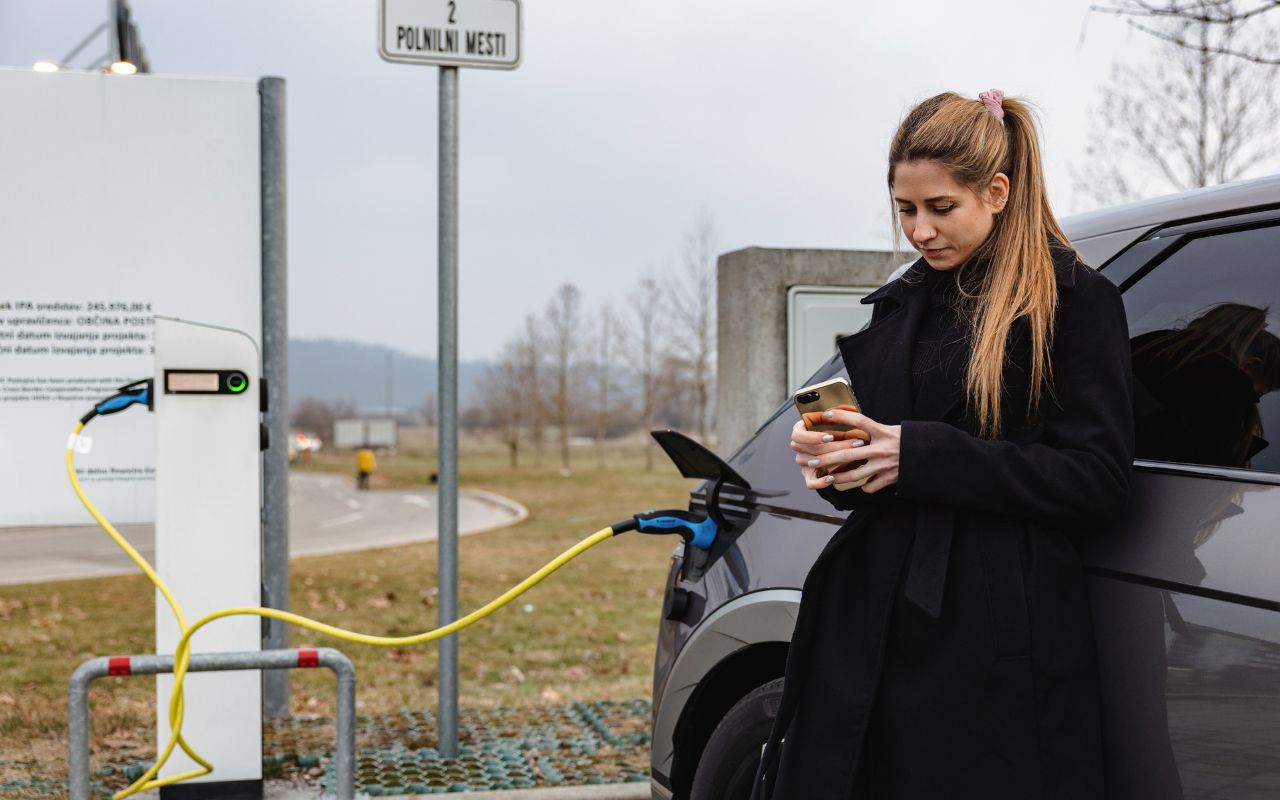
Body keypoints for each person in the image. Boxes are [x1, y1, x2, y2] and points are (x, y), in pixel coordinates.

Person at [755, 90, 1135, 799]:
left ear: (997, 193)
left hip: (991, 627)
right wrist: (841, 462)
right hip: (871, 613)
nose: (920, 231)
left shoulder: (1074, 301)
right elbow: (889, 458)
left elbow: (1097, 478)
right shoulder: (907, 301)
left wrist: (916, 455)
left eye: (940, 207)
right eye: (905, 209)